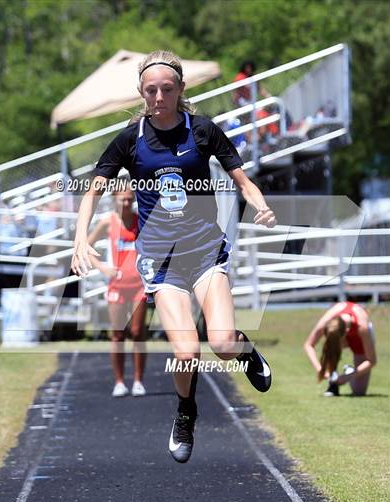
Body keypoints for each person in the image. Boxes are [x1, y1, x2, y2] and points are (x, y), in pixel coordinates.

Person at [72, 50, 276, 463]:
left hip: (204, 251)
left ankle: (246, 350)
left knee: (220, 343)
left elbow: (241, 179)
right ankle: (186, 412)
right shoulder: (130, 140)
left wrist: (259, 203)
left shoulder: (202, 130)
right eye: (151, 90)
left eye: (167, 88)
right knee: (186, 352)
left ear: (181, 89)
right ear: (141, 93)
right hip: (162, 262)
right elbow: (93, 190)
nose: (159, 96)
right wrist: (80, 238)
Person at [87, 186, 147, 397]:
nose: (126, 203)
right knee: (117, 334)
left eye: (129, 200)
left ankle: (138, 380)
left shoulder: (141, 220)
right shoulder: (107, 222)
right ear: (115, 200)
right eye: (122, 200)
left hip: (139, 285)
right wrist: (102, 267)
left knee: (138, 332)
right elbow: (86, 246)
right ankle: (119, 381)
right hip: (117, 286)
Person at [303, 301, 376, 397]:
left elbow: (372, 361)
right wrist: (320, 369)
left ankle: (349, 370)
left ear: (346, 332)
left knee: (359, 392)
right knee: (331, 346)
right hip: (341, 333)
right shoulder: (327, 323)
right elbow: (308, 345)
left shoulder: (362, 328)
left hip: (358, 338)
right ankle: (333, 384)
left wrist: (348, 376)